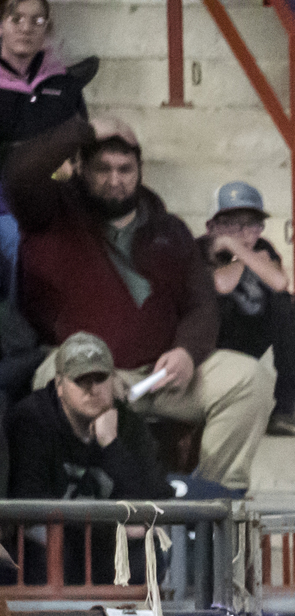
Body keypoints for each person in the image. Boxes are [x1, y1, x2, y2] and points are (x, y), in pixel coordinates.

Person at [6, 116, 273, 489]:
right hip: (86, 365)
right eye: (102, 168)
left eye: (125, 169)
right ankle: (74, 503)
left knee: (249, 380)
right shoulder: (52, 212)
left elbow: (201, 305)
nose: (115, 179)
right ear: (80, 166)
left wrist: (186, 352)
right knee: (55, 378)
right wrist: (84, 130)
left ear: (140, 170)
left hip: (163, 375)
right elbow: (20, 173)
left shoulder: (170, 229)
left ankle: (213, 502)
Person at [5, 331, 172, 584]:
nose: (92, 389)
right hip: (51, 546)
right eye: (81, 380)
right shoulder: (31, 420)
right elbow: (30, 509)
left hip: (103, 549)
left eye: (100, 378)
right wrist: (110, 527)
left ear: (113, 380)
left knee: (149, 554)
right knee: (45, 551)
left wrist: (111, 445)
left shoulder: (130, 427)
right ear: (60, 385)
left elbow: (151, 504)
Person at [0, 0, 93, 292]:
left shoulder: (64, 86)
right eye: (16, 19)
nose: (26, 28)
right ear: (1, 25)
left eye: (37, 21)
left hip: (55, 199)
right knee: (15, 239)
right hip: (4, 206)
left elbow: (81, 149)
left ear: (47, 28)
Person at [202, 182, 295, 438]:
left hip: (251, 335)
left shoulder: (263, 248)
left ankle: (286, 405)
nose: (246, 234)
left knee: (287, 305)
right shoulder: (200, 249)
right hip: (215, 341)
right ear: (213, 227)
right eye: (235, 224)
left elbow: (280, 283)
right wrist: (241, 254)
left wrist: (240, 251)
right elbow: (222, 285)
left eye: (253, 225)